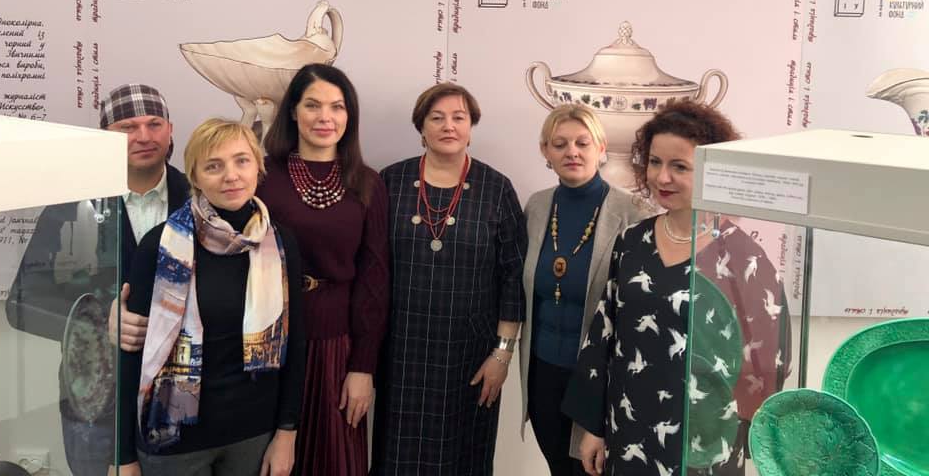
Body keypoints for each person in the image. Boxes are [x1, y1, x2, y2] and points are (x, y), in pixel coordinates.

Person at [562, 101, 791, 476]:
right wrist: (593, 428)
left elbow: (769, 361)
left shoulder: (743, 258)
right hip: (629, 428)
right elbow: (603, 336)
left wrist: (738, 433)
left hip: (705, 442)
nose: (662, 177)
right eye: (655, 162)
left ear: (713, 171)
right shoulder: (631, 241)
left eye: (679, 166)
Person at [5, 83, 189, 476]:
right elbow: (22, 303)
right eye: (127, 127)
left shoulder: (197, 199)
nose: (143, 136)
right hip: (96, 406)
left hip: (180, 402)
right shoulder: (71, 204)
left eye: (154, 124)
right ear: (104, 137)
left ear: (171, 130)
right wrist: (98, 320)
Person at [116, 118, 305, 476]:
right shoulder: (159, 246)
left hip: (253, 433)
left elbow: (295, 344)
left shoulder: (280, 244)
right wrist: (124, 457)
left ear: (258, 167)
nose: (231, 175)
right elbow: (132, 356)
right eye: (213, 166)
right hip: (172, 439)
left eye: (241, 161)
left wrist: (287, 433)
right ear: (196, 177)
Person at [371, 82, 528, 476]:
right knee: (398, 458)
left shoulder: (497, 189)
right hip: (401, 351)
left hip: (471, 354)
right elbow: (372, 269)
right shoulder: (390, 182)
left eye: (459, 117)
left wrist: (502, 354)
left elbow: (513, 277)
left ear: (471, 126)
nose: (448, 126)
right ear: (421, 126)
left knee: (465, 459)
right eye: (437, 117)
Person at [257, 64, 389, 476]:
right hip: (268, 342)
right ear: (293, 112)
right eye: (312, 105)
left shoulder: (368, 183)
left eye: (337, 106)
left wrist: (363, 366)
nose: (325, 117)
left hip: (336, 347)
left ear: (350, 116)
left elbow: (374, 280)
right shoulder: (261, 176)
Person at [520, 105, 654, 476]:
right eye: (560, 144)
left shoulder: (635, 212)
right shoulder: (536, 206)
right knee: (559, 468)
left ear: (601, 148)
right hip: (543, 375)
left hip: (598, 381)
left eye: (583, 143)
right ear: (545, 151)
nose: (572, 152)